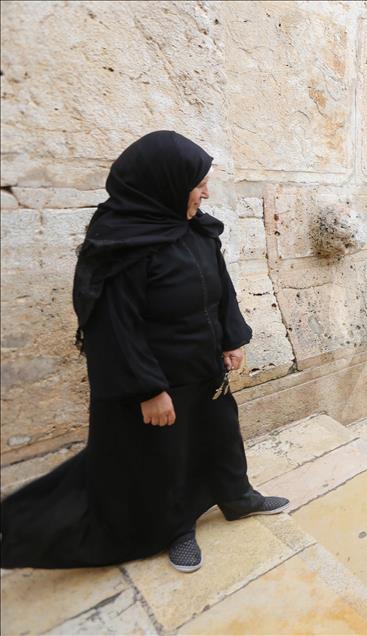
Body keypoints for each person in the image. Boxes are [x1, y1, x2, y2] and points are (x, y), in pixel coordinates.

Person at [0, 131, 288, 574]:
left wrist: (232, 338)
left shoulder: (194, 228)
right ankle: (176, 527)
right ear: (166, 182)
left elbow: (221, 287)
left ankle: (237, 497)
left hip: (203, 367)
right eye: (199, 183)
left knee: (220, 436)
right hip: (160, 380)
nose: (206, 192)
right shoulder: (122, 243)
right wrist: (148, 389)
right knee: (166, 458)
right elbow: (113, 327)